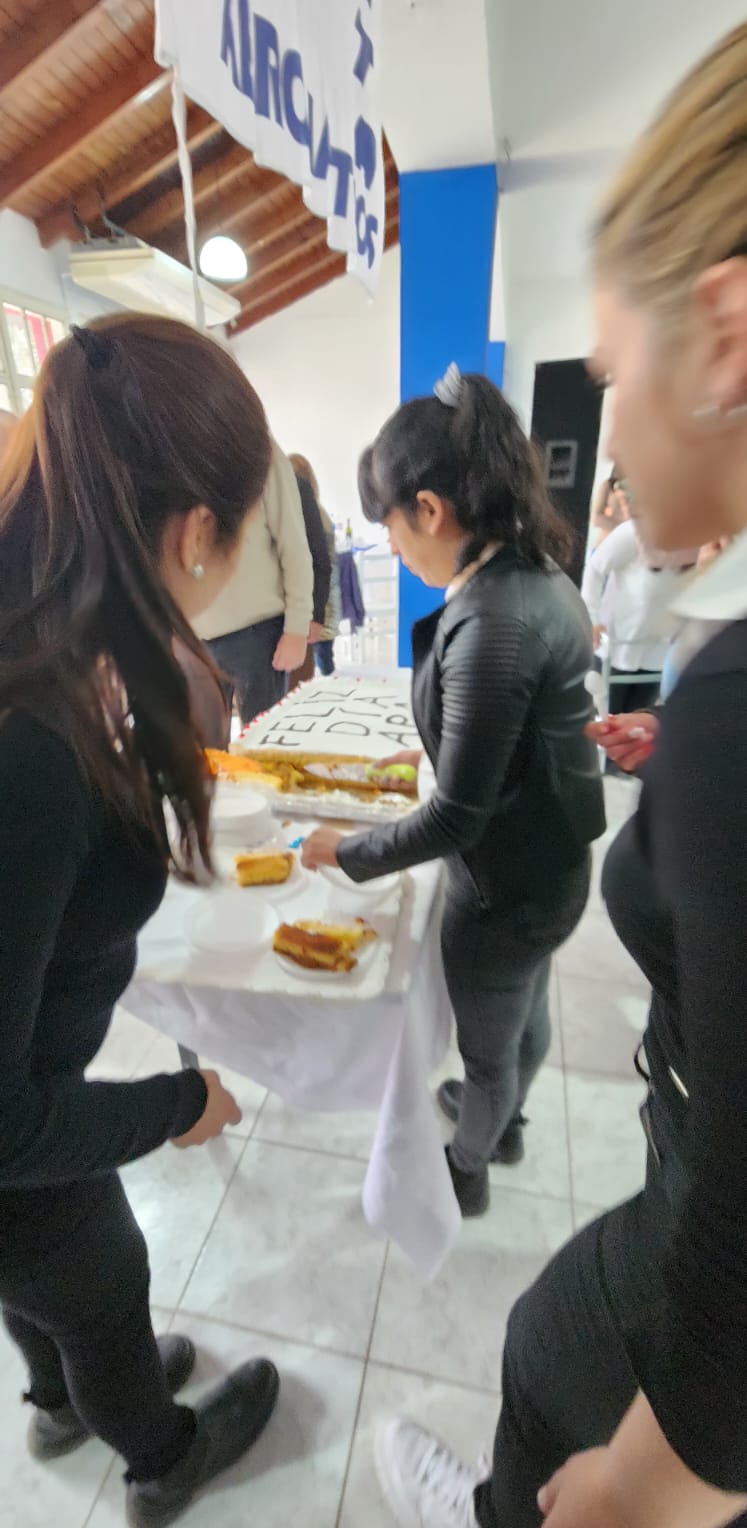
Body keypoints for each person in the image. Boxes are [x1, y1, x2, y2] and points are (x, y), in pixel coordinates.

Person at [368, 24, 747, 1528]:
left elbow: (458, 801)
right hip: (556, 863)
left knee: (494, 1036)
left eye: (608, 361)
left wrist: (650, 1502)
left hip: (523, 891)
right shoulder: (541, 594)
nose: (607, 405)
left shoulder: (509, 618)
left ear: (720, 332)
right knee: (511, 1020)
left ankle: (475, 1148)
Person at [0, 313, 280, 1528]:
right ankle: (161, 1453)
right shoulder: (29, 747)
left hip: (26, 1099)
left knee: (47, 1276)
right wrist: (176, 1104)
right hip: (15, 1132)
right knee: (103, 1277)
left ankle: (59, 1394)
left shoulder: (47, 631)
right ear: (194, 530)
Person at [302, 364, 606, 1218]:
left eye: (392, 528)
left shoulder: (492, 623)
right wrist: (431, 753)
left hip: (503, 888)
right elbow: (509, 741)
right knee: (524, 1006)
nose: (394, 548)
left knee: (487, 1044)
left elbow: (456, 818)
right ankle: (501, 1122)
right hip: (551, 866)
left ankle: (468, 1165)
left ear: (430, 510)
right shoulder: (537, 574)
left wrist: (346, 851)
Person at [196, 440, 312, 725]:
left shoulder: (261, 449)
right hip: (195, 638)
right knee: (204, 747)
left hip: (258, 636)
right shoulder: (179, 450)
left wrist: (297, 628)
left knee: (262, 743)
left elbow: (294, 545)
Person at [581, 513, 697, 720]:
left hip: (659, 655)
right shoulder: (634, 531)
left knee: (636, 726)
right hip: (616, 648)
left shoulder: (702, 545)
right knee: (605, 720)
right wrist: (592, 619)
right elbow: (595, 568)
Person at [290, 451, 341, 675]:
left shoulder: (307, 518)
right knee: (324, 656)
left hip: (318, 605)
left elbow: (319, 564)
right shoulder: (322, 515)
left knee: (318, 660)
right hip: (327, 601)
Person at [590, 466, 630, 545]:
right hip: (607, 541)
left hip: (629, 543)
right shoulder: (608, 485)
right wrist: (623, 529)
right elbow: (596, 518)